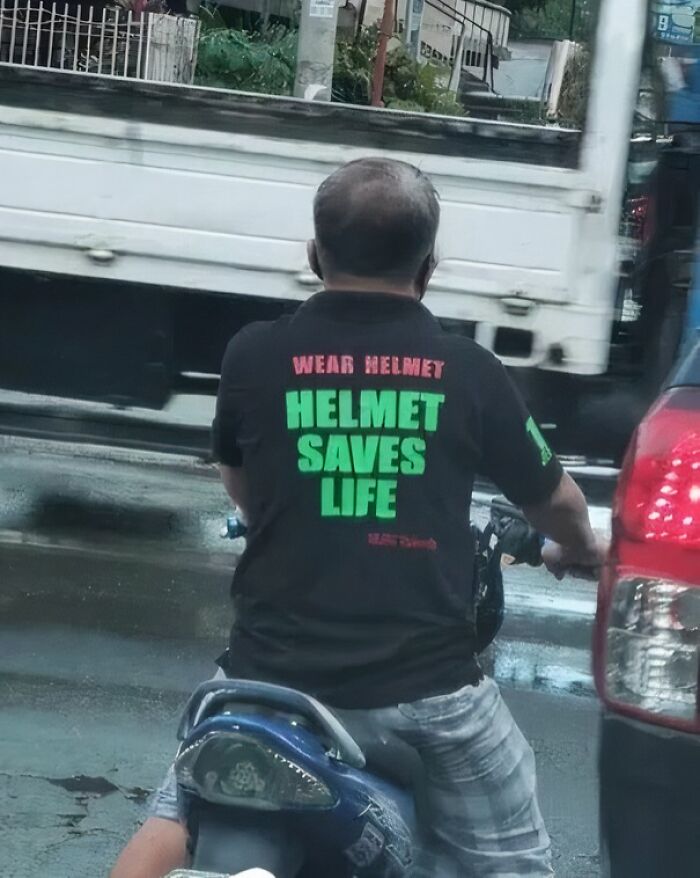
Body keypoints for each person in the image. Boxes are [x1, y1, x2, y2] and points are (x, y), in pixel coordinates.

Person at [110, 158, 604, 878]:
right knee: (516, 861)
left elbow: (243, 486)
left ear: (314, 256)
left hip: (264, 681)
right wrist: (580, 547)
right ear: (429, 267)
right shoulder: (469, 371)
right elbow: (556, 502)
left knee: (177, 815)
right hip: (428, 698)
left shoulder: (253, 353)